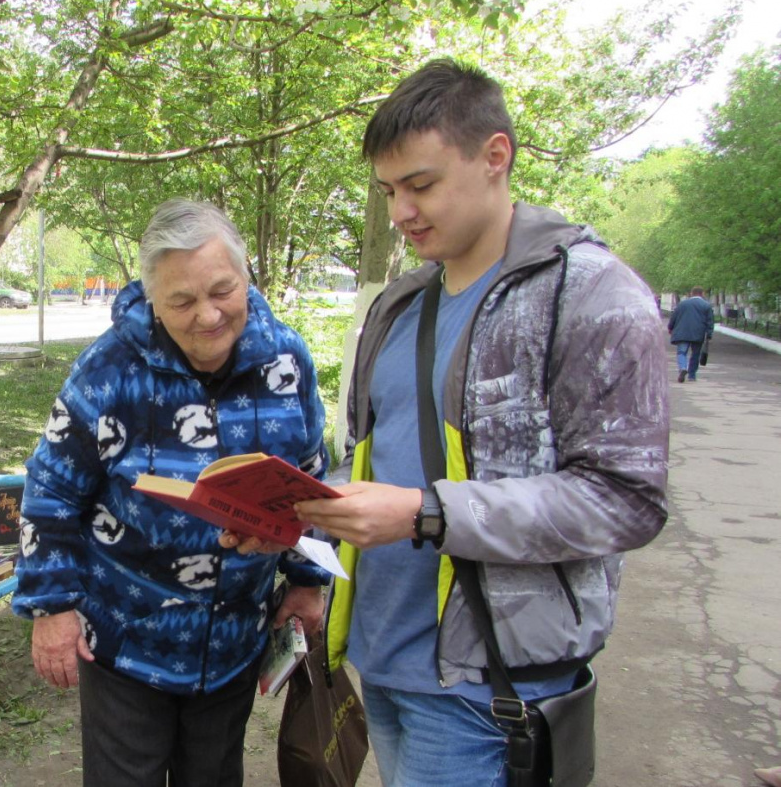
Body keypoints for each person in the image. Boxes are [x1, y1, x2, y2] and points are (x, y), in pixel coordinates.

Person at [254, 59, 669, 785]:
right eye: (388, 191)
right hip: (380, 660)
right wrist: (291, 515)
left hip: (490, 689)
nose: (400, 212)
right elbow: (377, 466)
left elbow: (625, 499)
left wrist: (427, 513)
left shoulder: (592, 294)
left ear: (495, 156)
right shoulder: (397, 305)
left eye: (420, 184)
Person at [12, 198, 332, 787]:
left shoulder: (287, 360)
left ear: (245, 277)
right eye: (181, 302)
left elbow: (313, 477)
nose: (207, 316)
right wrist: (51, 607)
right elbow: (49, 491)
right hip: (126, 637)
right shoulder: (108, 371)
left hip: (235, 634)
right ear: (151, 298)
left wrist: (309, 584)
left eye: (222, 291)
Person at [669, 286, 715, 382]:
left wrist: (670, 327)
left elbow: (674, 317)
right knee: (695, 354)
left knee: (682, 352)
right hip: (698, 333)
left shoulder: (682, 304)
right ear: (702, 294)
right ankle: (692, 375)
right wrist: (709, 334)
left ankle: (683, 368)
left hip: (682, 332)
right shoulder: (706, 305)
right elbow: (710, 322)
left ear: (691, 293)